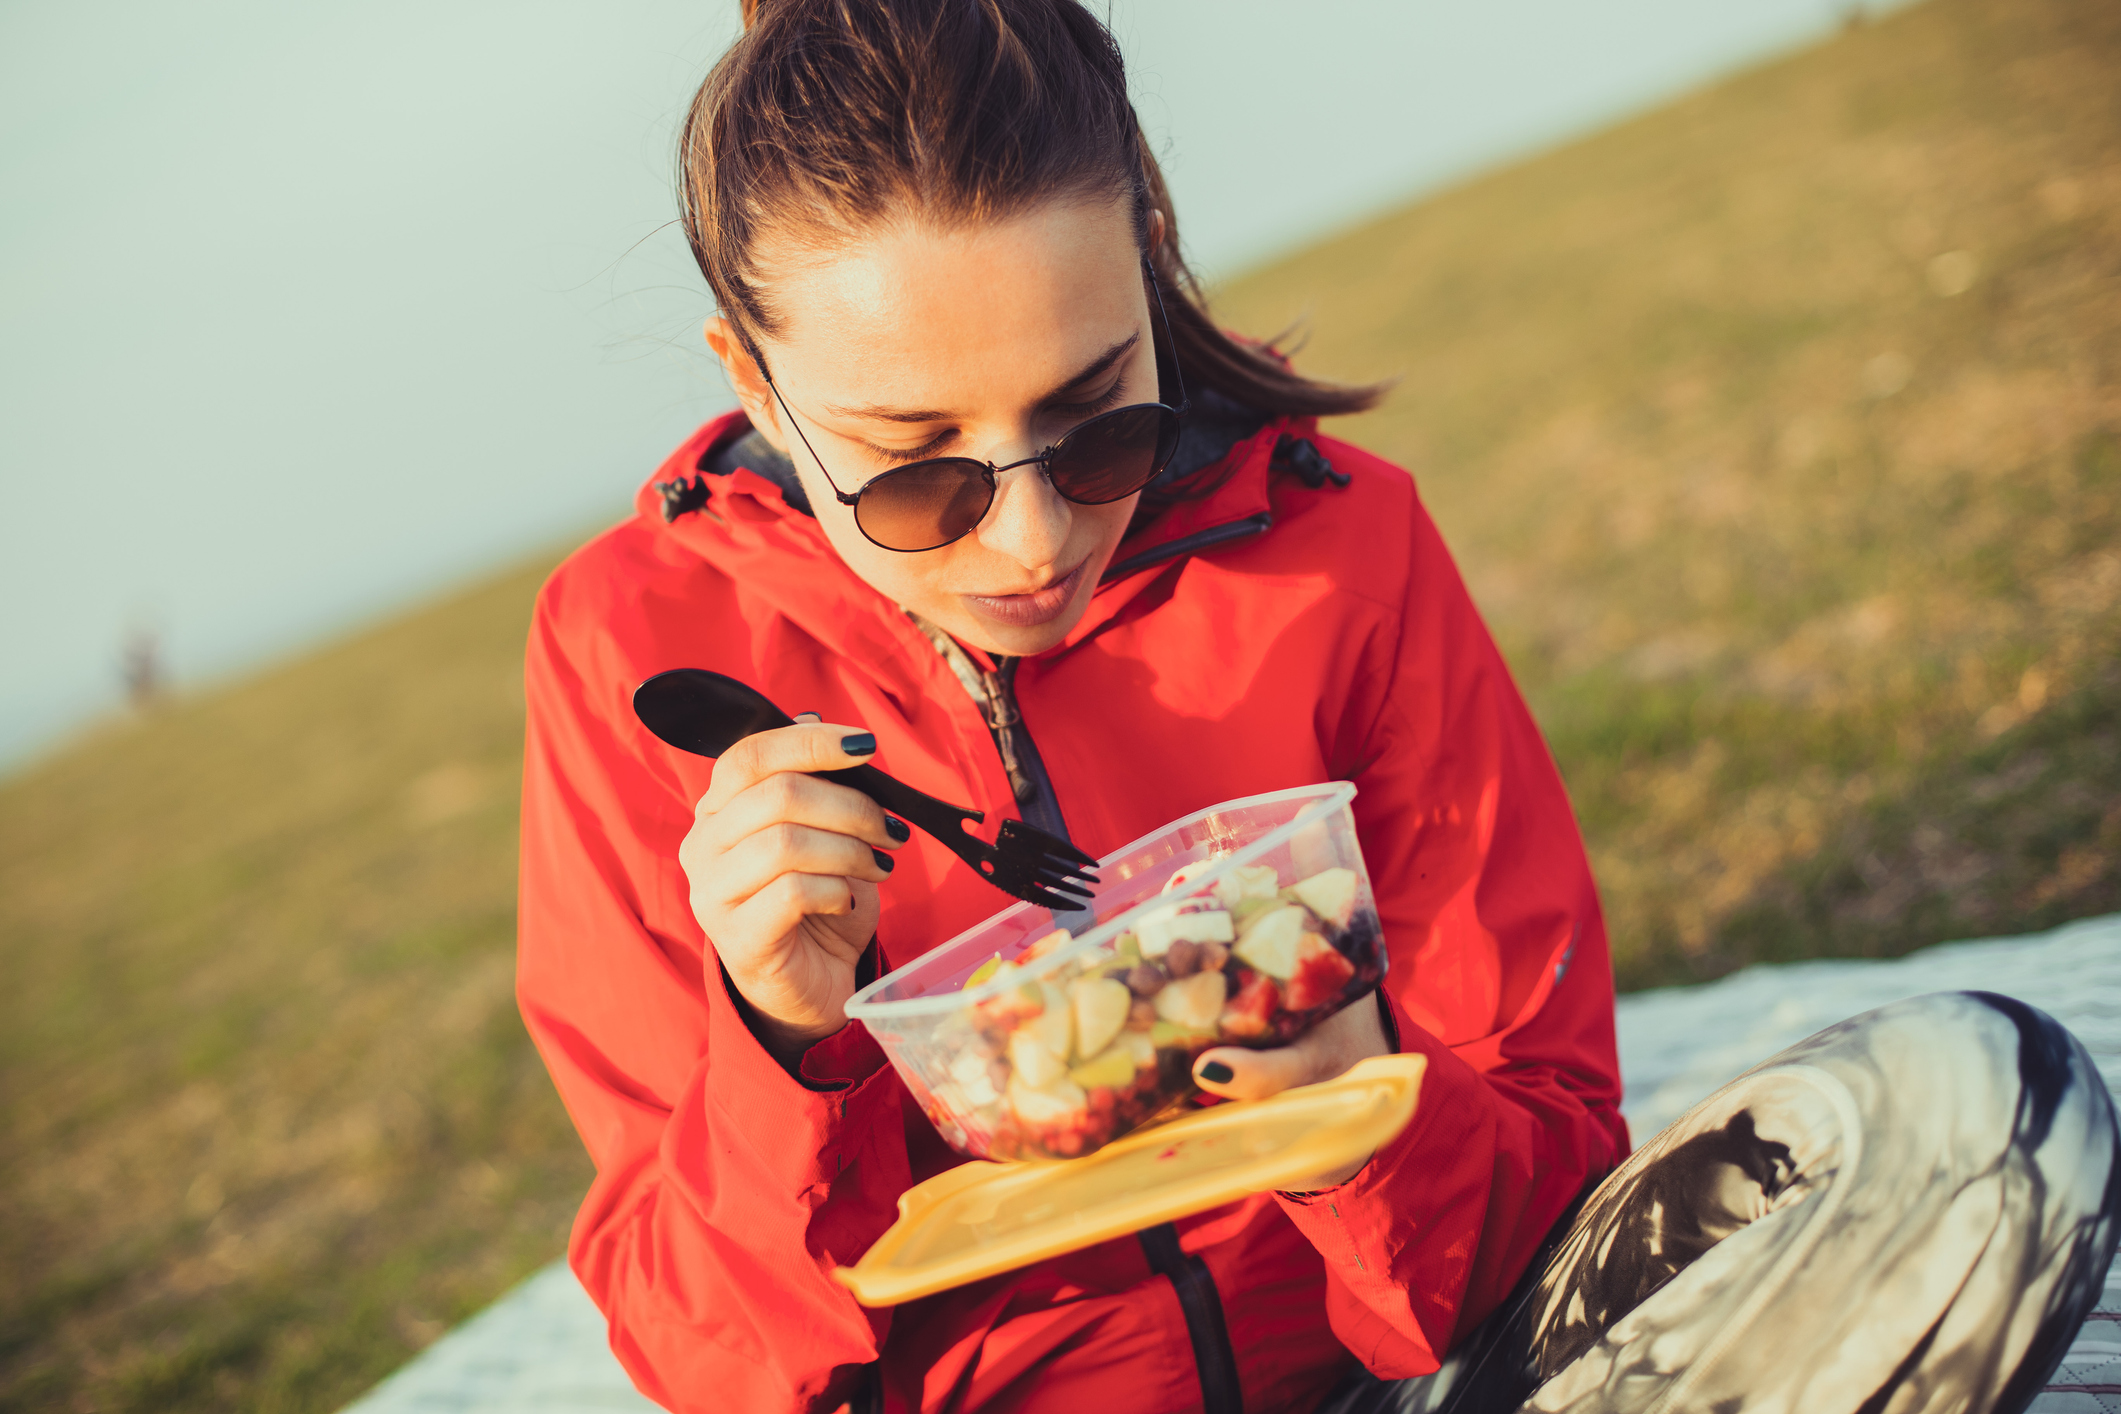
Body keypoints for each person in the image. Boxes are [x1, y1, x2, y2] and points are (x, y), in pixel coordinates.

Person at [514, 2, 2121, 1411]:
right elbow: (708, 1358)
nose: (1034, 539)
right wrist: (781, 1039)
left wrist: (1351, 1103)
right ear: (754, 387)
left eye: (1093, 423)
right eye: (918, 472)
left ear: (1146, 254)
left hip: (1403, 1376)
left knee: (1981, 1113)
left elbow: (1549, 1150)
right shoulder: (631, 653)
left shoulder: (1341, 546)